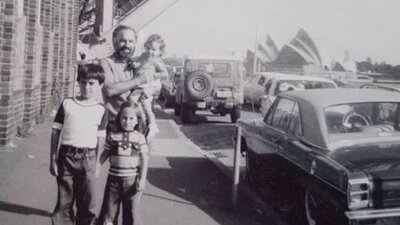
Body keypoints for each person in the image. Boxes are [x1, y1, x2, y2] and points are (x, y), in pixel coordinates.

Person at [50, 64, 108, 225]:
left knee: (87, 201)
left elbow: (100, 138)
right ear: (78, 82)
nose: (86, 87)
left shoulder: (100, 109)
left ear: (100, 85)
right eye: (83, 82)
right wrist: (53, 159)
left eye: (91, 83)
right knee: (64, 199)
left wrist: (97, 164)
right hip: (66, 156)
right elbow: (55, 131)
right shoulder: (67, 103)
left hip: (87, 158)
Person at [100, 26, 161, 140]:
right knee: (118, 158)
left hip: (140, 124)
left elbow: (155, 82)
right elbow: (109, 90)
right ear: (114, 41)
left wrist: (152, 89)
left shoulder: (138, 63)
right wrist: (138, 80)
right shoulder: (106, 63)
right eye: (123, 41)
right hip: (117, 124)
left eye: (131, 41)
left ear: (135, 43)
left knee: (142, 157)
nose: (127, 45)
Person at [97, 101, 149, 225]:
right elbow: (106, 153)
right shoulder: (113, 136)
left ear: (137, 121)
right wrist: (97, 165)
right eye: (124, 118)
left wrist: (142, 180)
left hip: (131, 181)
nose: (127, 121)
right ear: (119, 118)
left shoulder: (140, 137)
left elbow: (144, 159)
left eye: (131, 118)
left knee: (131, 212)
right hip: (113, 180)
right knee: (109, 210)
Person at [127, 34, 168, 138]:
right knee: (132, 100)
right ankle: (142, 121)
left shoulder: (157, 61)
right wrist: (134, 65)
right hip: (141, 85)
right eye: (148, 48)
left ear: (160, 51)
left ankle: (152, 124)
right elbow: (139, 64)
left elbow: (165, 74)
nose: (150, 52)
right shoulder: (143, 56)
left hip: (151, 84)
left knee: (145, 104)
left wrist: (152, 75)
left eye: (154, 50)